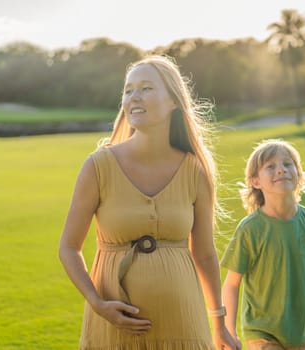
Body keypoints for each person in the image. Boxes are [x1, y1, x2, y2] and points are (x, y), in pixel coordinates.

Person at [59, 55, 236, 350]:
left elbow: (205, 254)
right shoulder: (98, 166)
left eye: (146, 88)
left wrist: (218, 325)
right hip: (112, 328)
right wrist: (97, 303)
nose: (133, 97)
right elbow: (68, 247)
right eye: (128, 90)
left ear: (173, 102)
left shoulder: (196, 171)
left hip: (184, 323)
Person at [221, 139, 305, 350]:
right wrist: (229, 331)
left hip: (303, 334)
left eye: (287, 164)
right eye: (270, 166)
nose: (281, 170)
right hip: (262, 333)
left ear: (298, 174)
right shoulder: (250, 230)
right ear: (255, 181)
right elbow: (231, 284)